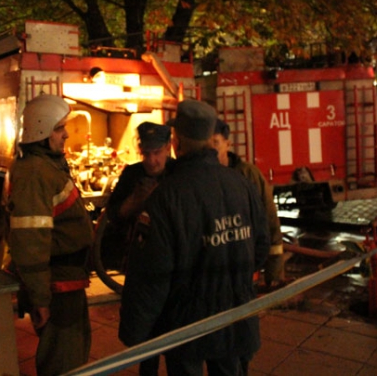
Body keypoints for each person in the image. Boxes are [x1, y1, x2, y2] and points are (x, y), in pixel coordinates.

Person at [119, 99, 270, 376]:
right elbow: (260, 248)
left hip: (186, 323)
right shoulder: (241, 185)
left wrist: (134, 330)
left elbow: (152, 271)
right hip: (234, 314)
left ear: (176, 142)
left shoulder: (167, 196)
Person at [5, 94, 93, 376]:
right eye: (59, 128)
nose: (66, 134)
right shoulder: (35, 173)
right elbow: (31, 242)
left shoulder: (44, 166)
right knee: (63, 359)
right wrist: (41, 299)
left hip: (67, 280)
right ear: (41, 132)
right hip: (58, 286)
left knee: (73, 351)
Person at [105, 121, 174, 376]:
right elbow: (114, 215)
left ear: (168, 147)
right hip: (142, 265)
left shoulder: (178, 173)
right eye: (146, 154)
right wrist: (135, 201)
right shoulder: (132, 175)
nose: (152, 160)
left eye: (157, 153)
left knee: (177, 336)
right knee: (147, 334)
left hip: (174, 265)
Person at [211, 119, 285, 289]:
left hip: (245, 267)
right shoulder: (202, 177)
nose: (212, 150)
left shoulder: (248, 174)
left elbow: (270, 221)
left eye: (216, 143)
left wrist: (274, 272)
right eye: (208, 144)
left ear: (228, 144)